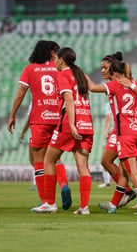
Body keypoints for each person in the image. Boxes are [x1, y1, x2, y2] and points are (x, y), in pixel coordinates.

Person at [87, 61, 137, 215]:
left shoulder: (115, 85)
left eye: (110, 73)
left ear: (116, 74)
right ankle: (112, 205)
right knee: (124, 172)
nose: (109, 76)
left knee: (131, 171)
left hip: (125, 133)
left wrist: (80, 74)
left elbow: (92, 87)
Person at [8, 40, 71, 211]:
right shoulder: (60, 69)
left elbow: (21, 93)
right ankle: (64, 184)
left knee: (39, 161)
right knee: (55, 158)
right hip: (58, 118)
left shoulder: (30, 69)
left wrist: (13, 115)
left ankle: (46, 202)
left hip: (40, 119)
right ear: (52, 53)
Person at [32, 47, 93, 214]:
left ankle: (49, 203)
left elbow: (68, 98)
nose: (54, 62)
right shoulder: (79, 75)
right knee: (83, 167)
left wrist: (72, 125)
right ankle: (84, 207)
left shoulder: (62, 74)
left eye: (55, 59)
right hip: (87, 123)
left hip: (69, 125)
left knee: (48, 160)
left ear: (60, 60)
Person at [96, 52, 137, 206]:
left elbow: (92, 88)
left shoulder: (119, 84)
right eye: (101, 68)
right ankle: (128, 192)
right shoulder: (116, 84)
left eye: (105, 68)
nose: (102, 71)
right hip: (120, 128)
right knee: (108, 161)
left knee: (128, 166)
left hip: (127, 130)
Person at [19, 102, 70, 192]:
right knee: (55, 159)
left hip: (39, 127)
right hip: (56, 125)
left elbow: (30, 117)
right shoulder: (58, 94)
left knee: (37, 162)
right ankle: (63, 184)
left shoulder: (35, 98)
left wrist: (23, 132)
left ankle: (45, 199)